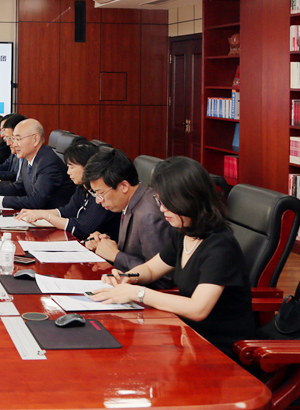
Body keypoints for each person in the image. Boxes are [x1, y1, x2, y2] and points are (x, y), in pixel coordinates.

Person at [92, 156, 254, 360]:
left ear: (187, 199)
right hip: (186, 335)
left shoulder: (220, 245)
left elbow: (198, 309)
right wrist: (127, 278)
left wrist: (138, 293)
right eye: (159, 201)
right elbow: (151, 269)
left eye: (167, 203)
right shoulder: (185, 233)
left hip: (217, 347)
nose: (162, 209)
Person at [82, 148, 173, 289]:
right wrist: (104, 243)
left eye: (101, 193)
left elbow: (163, 279)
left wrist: (116, 255)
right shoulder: (133, 200)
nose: (98, 201)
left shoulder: (149, 215)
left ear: (124, 186)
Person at [17, 140, 120, 240]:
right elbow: (67, 211)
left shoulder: (101, 196)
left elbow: (80, 228)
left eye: (72, 167)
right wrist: (37, 213)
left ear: (87, 166)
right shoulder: (82, 187)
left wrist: (45, 216)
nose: (68, 172)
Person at [0, 119, 74, 211]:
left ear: (35, 139)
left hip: (51, 219)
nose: (14, 144)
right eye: (13, 139)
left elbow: (36, 201)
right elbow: (19, 187)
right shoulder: (29, 158)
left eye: (18, 139)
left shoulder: (49, 163)